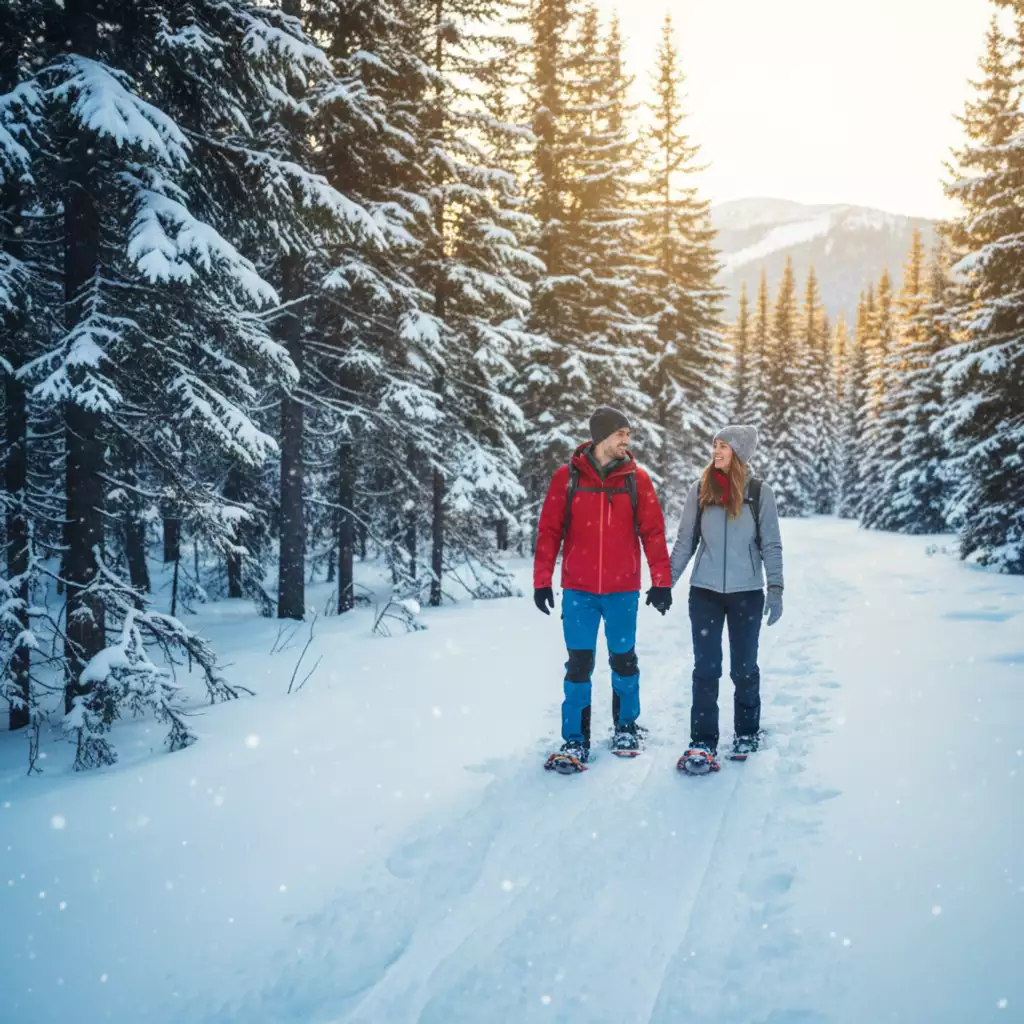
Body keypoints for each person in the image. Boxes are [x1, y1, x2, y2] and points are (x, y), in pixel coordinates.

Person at [533, 406, 673, 764]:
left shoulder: (636, 479)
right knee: (578, 665)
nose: (626, 440)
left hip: (622, 591)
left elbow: (653, 532)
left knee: (623, 661)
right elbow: (549, 531)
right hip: (578, 591)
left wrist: (661, 581)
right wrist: (542, 580)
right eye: (619, 434)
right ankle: (575, 740)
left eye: (628, 434)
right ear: (601, 438)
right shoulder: (568, 478)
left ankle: (626, 726)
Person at [668, 424, 784, 771]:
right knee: (706, 668)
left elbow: (772, 544)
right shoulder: (700, 490)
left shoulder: (760, 493)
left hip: (746, 593)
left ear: (740, 452)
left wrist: (775, 589)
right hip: (704, 593)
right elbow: (685, 541)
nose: (716, 452)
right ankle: (702, 742)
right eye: (715, 445)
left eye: (724, 446)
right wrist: (664, 584)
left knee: (744, 668)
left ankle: (747, 732)